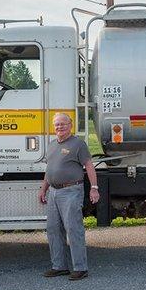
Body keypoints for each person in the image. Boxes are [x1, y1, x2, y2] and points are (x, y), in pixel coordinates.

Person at [38, 113, 100, 281]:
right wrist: (44, 189)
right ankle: (59, 266)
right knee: (53, 229)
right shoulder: (51, 145)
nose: (60, 127)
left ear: (70, 125)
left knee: (73, 229)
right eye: (57, 124)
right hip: (54, 192)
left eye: (63, 124)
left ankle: (80, 268)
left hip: (71, 191)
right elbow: (49, 170)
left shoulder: (78, 144)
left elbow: (89, 166)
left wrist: (94, 188)